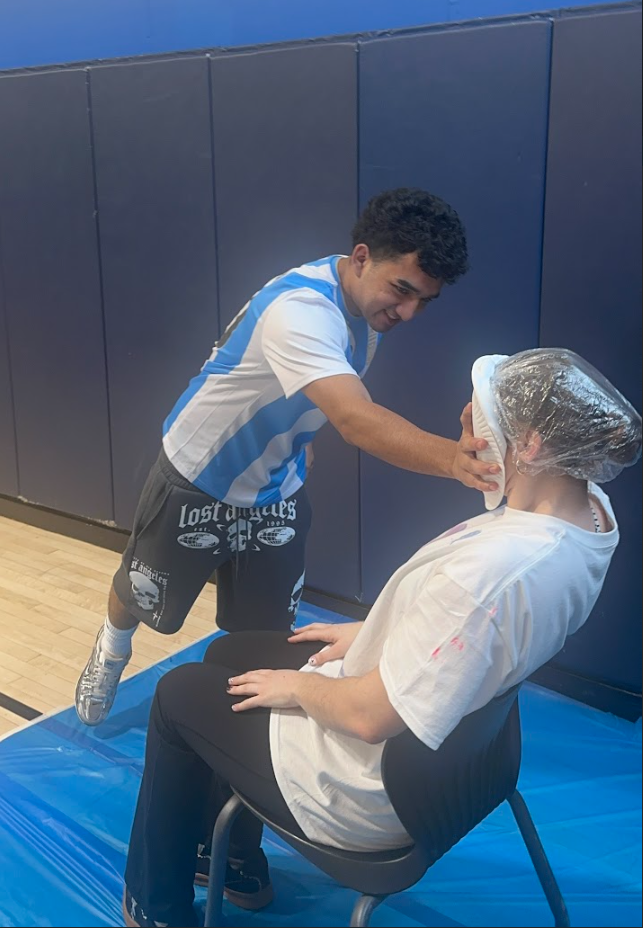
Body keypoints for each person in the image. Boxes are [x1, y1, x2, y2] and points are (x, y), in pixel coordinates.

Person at [121, 348, 641, 928]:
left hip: (368, 786)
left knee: (178, 695)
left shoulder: (494, 573)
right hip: (471, 763)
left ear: (532, 445)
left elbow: (371, 716)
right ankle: (236, 862)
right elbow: (479, 631)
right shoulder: (589, 512)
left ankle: (156, 906)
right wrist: (380, 630)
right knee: (230, 653)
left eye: (483, 410)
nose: (466, 415)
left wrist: (298, 687)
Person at [76, 187, 499, 727]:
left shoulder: (366, 308)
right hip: (198, 474)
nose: (410, 312)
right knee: (141, 597)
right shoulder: (300, 309)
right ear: (363, 257)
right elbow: (355, 418)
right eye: (403, 290)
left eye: (424, 300)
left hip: (277, 485)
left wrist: (298, 442)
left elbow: (308, 393)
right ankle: (110, 651)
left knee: (265, 632)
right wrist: (455, 460)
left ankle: (238, 723)